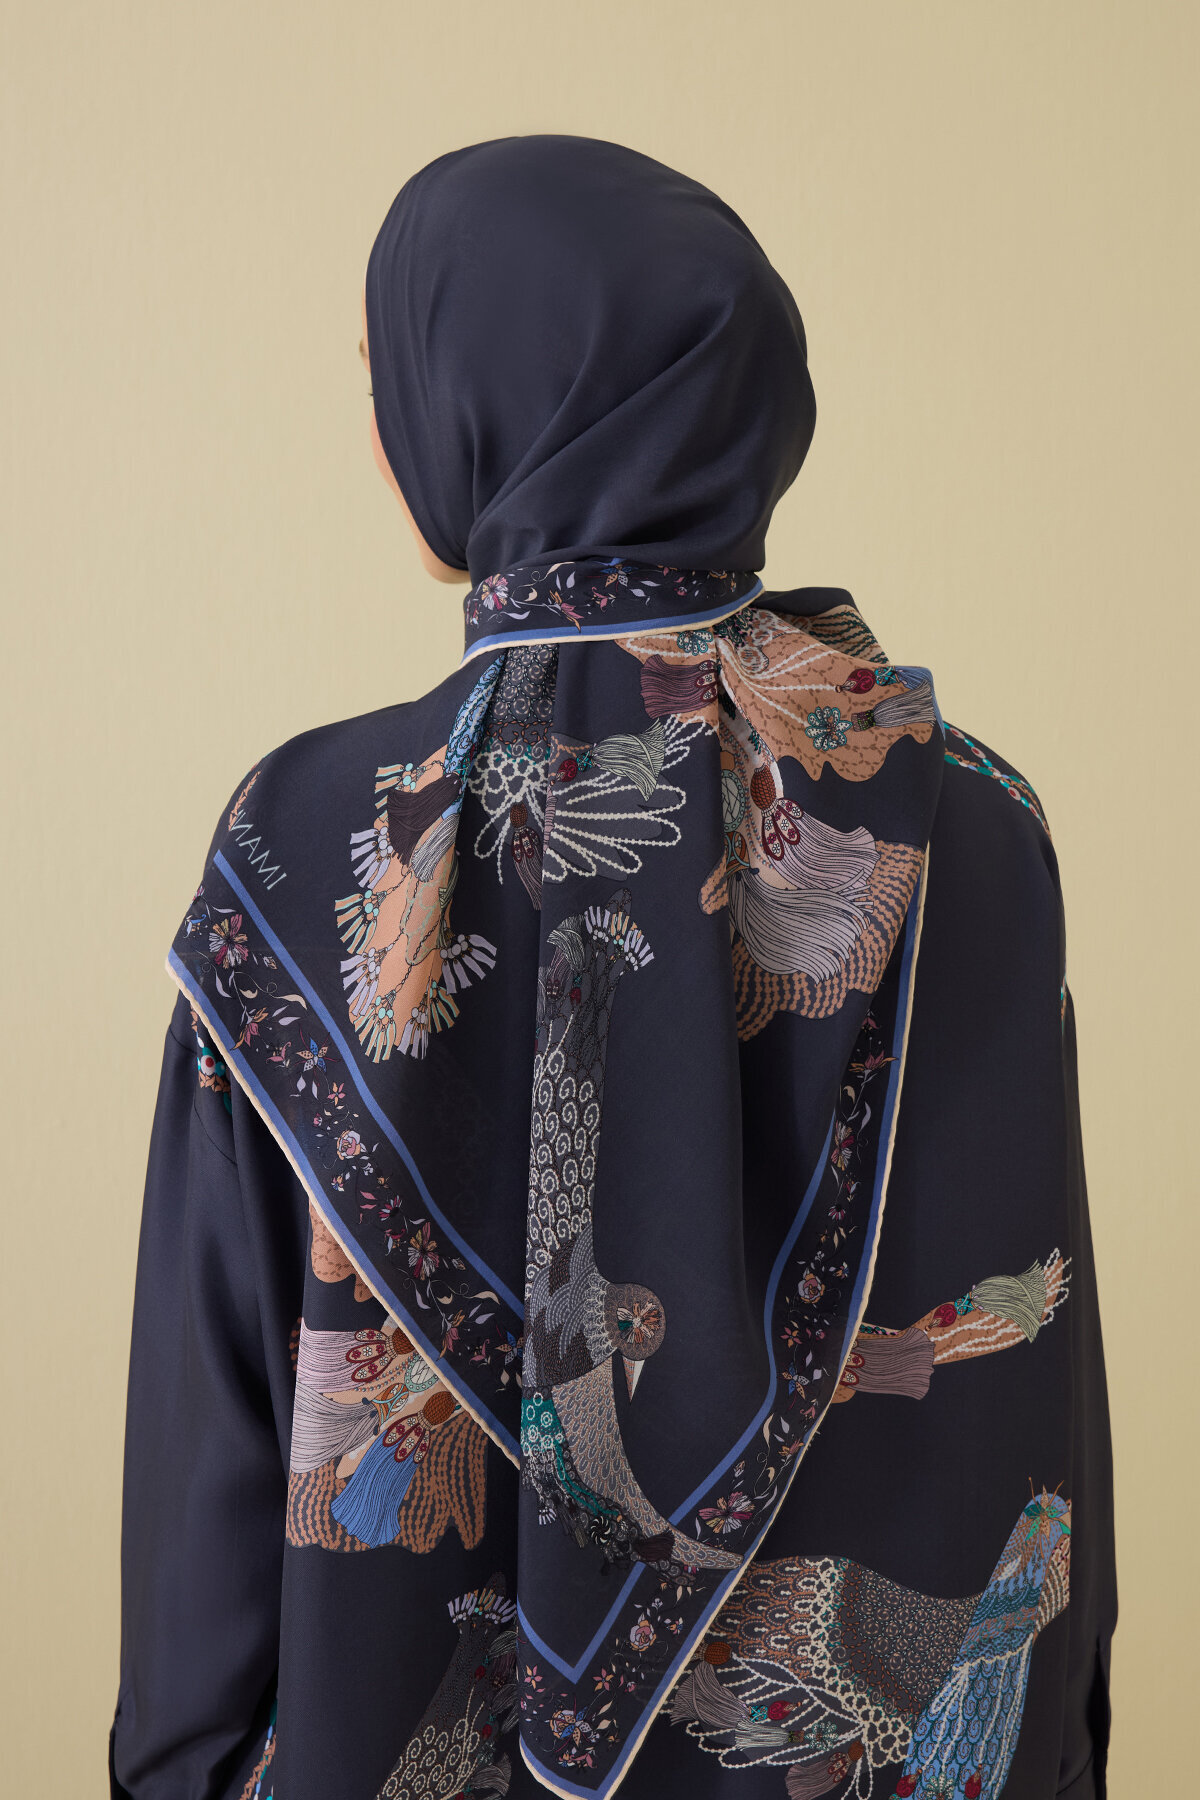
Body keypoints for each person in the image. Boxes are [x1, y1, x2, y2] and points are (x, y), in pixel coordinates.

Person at [109, 135, 1115, 1800]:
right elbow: (1043, 1404)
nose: (381, 421)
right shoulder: (968, 821)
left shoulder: (307, 839)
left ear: (487, 399)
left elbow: (208, 1451)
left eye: (390, 366)